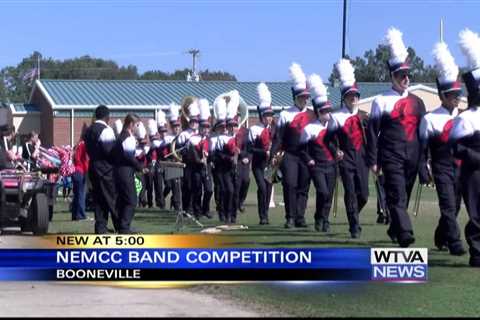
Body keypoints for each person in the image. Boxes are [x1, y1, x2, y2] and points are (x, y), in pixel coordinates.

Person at [366, 28, 429, 247]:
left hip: (413, 155)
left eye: (408, 74)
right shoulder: (381, 101)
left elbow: (424, 135)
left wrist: (424, 162)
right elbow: (372, 132)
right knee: (396, 194)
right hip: (390, 155)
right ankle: (405, 234)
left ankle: (395, 228)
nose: (406, 78)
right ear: (392, 76)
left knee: (403, 196)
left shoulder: (418, 102)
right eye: (401, 75)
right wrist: (373, 160)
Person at [419, 41, 466, 256]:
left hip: (462, 167)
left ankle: (441, 235)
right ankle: (455, 243)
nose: (457, 98)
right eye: (453, 95)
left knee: (454, 206)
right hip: (441, 166)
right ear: (443, 96)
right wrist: (423, 168)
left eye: (458, 94)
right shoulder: (430, 119)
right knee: (447, 204)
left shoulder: (465, 117)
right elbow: (423, 148)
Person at [449, 29, 480, 267]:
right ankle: (477, 252)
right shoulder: (466, 118)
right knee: (477, 213)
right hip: (473, 172)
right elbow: (456, 148)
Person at [270, 63, 314, 228]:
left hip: (306, 154)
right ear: (295, 97)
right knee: (289, 184)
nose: (304, 99)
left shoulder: (311, 114)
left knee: (304, 186)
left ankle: (300, 217)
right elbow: (278, 137)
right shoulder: (285, 114)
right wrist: (273, 155)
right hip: (289, 154)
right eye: (301, 96)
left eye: (306, 97)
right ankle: (289, 217)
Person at [329, 59, 369, 238]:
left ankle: (353, 213)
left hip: (362, 157)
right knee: (351, 192)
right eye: (350, 96)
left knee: (364, 195)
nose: (354, 98)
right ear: (344, 97)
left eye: (356, 96)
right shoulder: (336, 117)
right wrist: (335, 150)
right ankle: (354, 225)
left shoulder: (364, 117)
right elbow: (328, 139)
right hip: (346, 158)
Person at [299, 74, 339, 232]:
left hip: (332, 165)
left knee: (328, 194)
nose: (327, 114)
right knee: (322, 191)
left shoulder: (334, 126)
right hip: (317, 165)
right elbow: (301, 149)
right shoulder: (309, 129)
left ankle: (325, 220)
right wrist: (309, 160)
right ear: (317, 112)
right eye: (324, 111)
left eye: (328, 110)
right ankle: (318, 217)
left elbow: (337, 144)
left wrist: (339, 153)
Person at [84, 105, 119, 234]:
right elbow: (109, 150)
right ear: (107, 117)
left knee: (99, 200)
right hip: (106, 169)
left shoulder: (88, 130)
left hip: (93, 167)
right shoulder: (106, 130)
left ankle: (101, 227)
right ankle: (121, 226)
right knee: (112, 198)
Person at [112, 114, 146, 234]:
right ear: (131, 124)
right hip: (125, 172)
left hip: (119, 171)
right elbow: (129, 157)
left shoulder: (122, 137)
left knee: (122, 199)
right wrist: (140, 167)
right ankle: (124, 227)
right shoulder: (128, 138)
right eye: (137, 124)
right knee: (131, 200)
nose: (138, 127)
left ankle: (121, 225)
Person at [248, 83, 275, 225]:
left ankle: (266, 214)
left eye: (271, 115)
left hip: (270, 165)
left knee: (269, 189)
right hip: (258, 164)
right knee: (262, 188)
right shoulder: (254, 130)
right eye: (267, 115)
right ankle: (262, 216)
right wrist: (264, 151)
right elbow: (250, 148)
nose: (269, 118)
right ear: (261, 116)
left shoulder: (274, 129)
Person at [188, 98, 213, 219]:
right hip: (197, 167)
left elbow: (213, 154)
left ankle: (205, 209)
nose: (206, 130)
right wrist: (199, 160)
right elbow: (191, 155)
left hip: (207, 168)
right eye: (203, 127)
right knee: (197, 190)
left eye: (207, 128)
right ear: (200, 127)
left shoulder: (210, 140)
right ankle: (197, 211)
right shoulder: (193, 139)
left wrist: (210, 159)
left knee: (209, 190)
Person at [176, 100, 200, 215]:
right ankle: (187, 208)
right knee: (188, 186)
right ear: (190, 122)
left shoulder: (201, 135)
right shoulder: (184, 134)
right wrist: (185, 149)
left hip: (198, 164)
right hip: (188, 164)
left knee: (197, 187)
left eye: (196, 121)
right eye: (193, 121)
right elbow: (178, 149)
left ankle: (196, 208)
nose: (195, 123)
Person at [71, 124, 90, 221]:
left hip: (75, 171)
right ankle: (81, 215)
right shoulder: (83, 145)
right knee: (81, 194)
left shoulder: (78, 144)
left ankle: (75, 214)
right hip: (80, 171)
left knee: (77, 194)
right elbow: (82, 159)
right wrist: (87, 169)